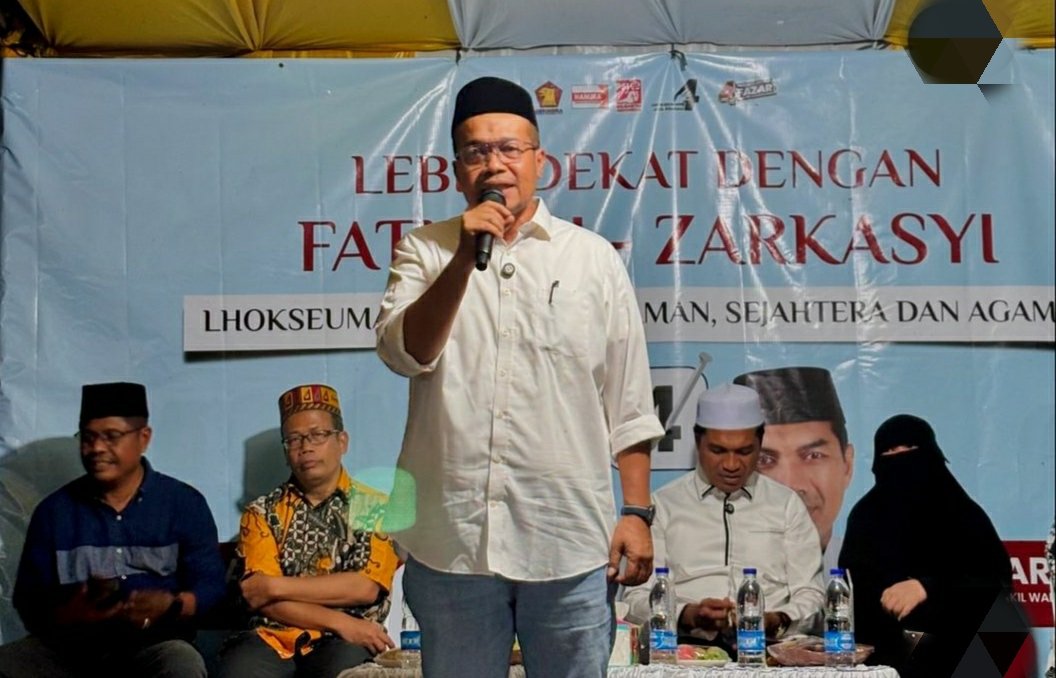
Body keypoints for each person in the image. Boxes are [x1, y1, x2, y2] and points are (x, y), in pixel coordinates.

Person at [376, 75, 665, 677]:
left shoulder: (591, 259)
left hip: (567, 538)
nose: (495, 164)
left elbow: (630, 401)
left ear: (539, 161)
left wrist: (636, 513)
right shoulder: (424, 250)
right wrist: (463, 259)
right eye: (476, 151)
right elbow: (406, 353)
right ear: (457, 171)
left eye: (509, 148)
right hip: (452, 542)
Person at [0, 381, 225, 678]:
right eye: (88, 437)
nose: (96, 448)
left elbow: (211, 586)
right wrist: (71, 613)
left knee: (181, 661)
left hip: (153, 645)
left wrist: (171, 604)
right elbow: (28, 600)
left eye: (111, 437)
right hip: (68, 648)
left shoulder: (183, 504)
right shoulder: (54, 511)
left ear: (143, 438)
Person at [623, 383, 825, 653]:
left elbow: (812, 596)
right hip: (684, 653)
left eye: (744, 451)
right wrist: (688, 615)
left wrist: (777, 620)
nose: (731, 465)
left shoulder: (786, 504)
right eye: (718, 451)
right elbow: (635, 599)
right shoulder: (663, 505)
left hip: (770, 653)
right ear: (698, 442)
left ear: (760, 443)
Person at [216, 384, 400, 678]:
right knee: (240, 669)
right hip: (273, 637)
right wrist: (341, 621)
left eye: (317, 435)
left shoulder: (376, 508)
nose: (306, 447)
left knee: (346, 668)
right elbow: (256, 597)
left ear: (342, 441)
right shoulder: (261, 513)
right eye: (294, 439)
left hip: (349, 640)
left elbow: (364, 587)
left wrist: (274, 586)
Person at [839, 414, 1013, 678]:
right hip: (890, 656)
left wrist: (927, 587)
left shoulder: (963, 514)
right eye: (889, 452)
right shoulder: (866, 516)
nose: (901, 459)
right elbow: (854, 591)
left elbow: (995, 579)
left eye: (910, 449)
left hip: (969, 654)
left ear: (931, 454)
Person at [733, 366, 854, 568]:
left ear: (847, 465)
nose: (791, 485)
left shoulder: (869, 568)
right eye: (764, 460)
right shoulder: (716, 566)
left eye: (813, 456)